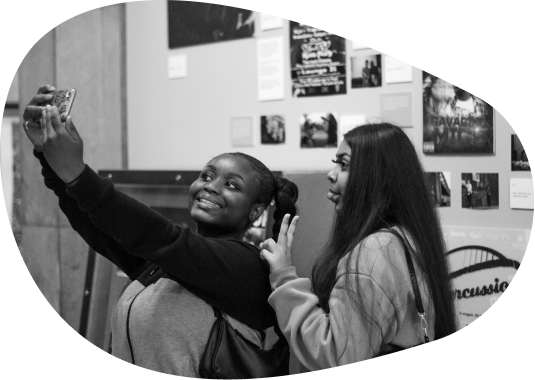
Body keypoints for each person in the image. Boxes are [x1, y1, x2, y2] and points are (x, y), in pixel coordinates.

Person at [22, 85, 298, 378]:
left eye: (231, 185)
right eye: (206, 175)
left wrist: (78, 174)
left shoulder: (247, 267)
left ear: (255, 212)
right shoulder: (163, 264)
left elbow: (161, 237)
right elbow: (97, 225)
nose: (210, 186)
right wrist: (49, 158)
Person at [260, 122, 457, 370]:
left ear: (378, 178)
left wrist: (284, 276)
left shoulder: (376, 250)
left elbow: (335, 356)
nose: (331, 174)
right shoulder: (406, 238)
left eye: (344, 164)